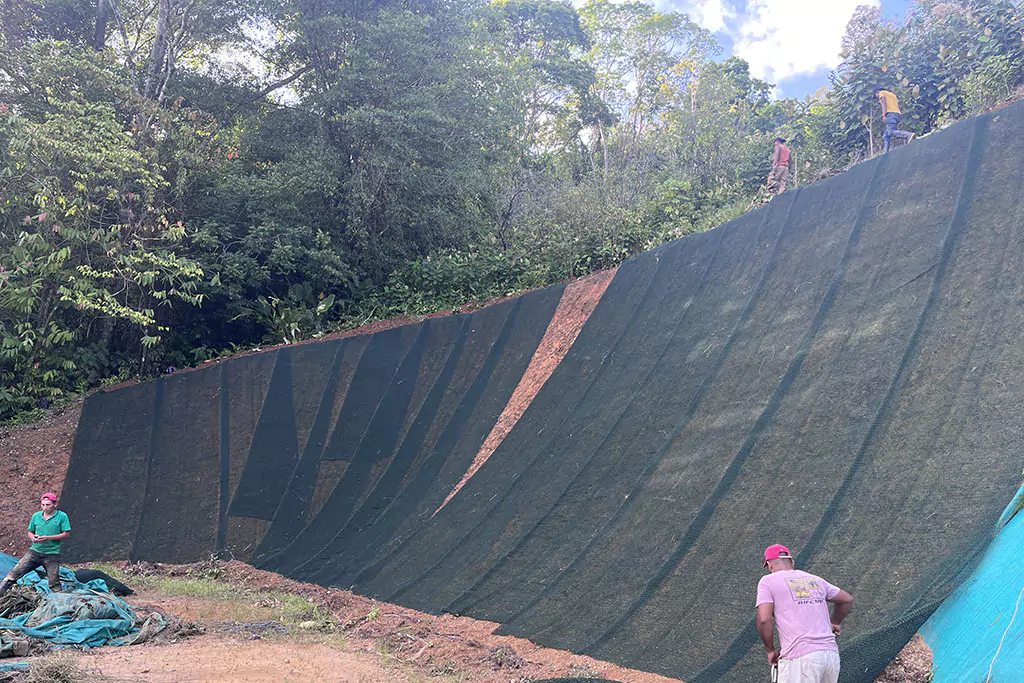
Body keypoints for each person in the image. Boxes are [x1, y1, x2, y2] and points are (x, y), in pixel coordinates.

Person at [756, 544, 854, 683]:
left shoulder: (767, 581)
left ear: (770, 565)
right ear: (792, 562)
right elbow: (846, 600)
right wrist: (835, 622)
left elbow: (764, 619)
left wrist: (770, 650)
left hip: (800, 659)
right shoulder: (815, 580)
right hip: (830, 656)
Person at [0, 493, 72, 596]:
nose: (45, 507)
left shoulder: (62, 516)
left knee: (54, 583)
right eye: (43, 505)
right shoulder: (36, 516)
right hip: (34, 552)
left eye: (48, 505)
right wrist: (33, 537)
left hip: (51, 553)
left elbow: (66, 534)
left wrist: (48, 538)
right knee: (12, 575)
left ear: (55, 504)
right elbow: (30, 531)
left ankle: (58, 601)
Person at [876, 88, 914, 153]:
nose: (877, 97)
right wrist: (899, 120)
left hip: (890, 114)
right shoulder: (893, 95)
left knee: (891, 132)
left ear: (877, 92)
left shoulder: (882, 93)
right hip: (897, 114)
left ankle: (908, 135)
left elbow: (884, 103)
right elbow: (896, 106)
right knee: (886, 135)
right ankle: (885, 153)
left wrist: (884, 115)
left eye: (876, 95)